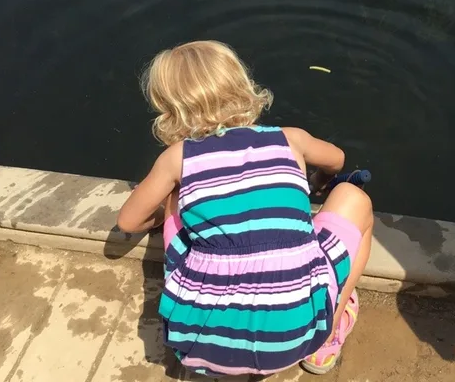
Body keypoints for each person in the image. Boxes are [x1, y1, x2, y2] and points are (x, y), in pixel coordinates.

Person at [117, 40, 374, 377]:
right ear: (242, 85)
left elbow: (128, 221)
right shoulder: (290, 138)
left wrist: (170, 206)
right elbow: (338, 158)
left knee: (176, 199)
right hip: (299, 335)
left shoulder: (176, 157)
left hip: (197, 346)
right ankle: (330, 332)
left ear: (167, 108)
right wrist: (317, 181)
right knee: (357, 200)